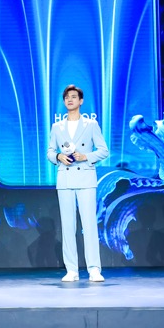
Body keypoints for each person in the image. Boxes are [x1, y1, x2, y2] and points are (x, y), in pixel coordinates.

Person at [47, 84, 109, 282]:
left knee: (89, 225)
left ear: (81, 101)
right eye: (67, 97)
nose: (70, 100)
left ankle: (94, 269)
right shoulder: (57, 127)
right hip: (65, 179)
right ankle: (71, 269)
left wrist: (85, 156)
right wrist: (58, 156)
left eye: (74, 97)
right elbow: (50, 151)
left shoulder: (91, 125)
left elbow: (104, 151)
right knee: (68, 226)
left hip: (86, 178)